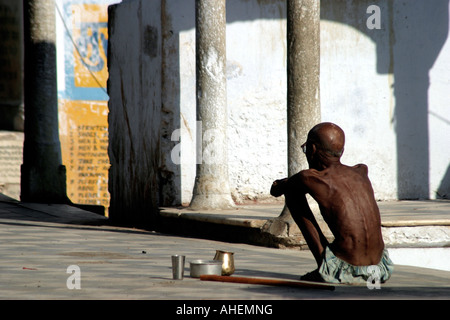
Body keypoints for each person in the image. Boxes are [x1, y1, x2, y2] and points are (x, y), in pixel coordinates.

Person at [270, 122, 393, 284]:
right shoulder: (361, 171)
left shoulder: (309, 178)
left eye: (306, 148)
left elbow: (276, 190)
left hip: (344, 269)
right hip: (379, 269)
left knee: (292, 193)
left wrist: (286, 183)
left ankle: (325, 267)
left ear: (312, 149)